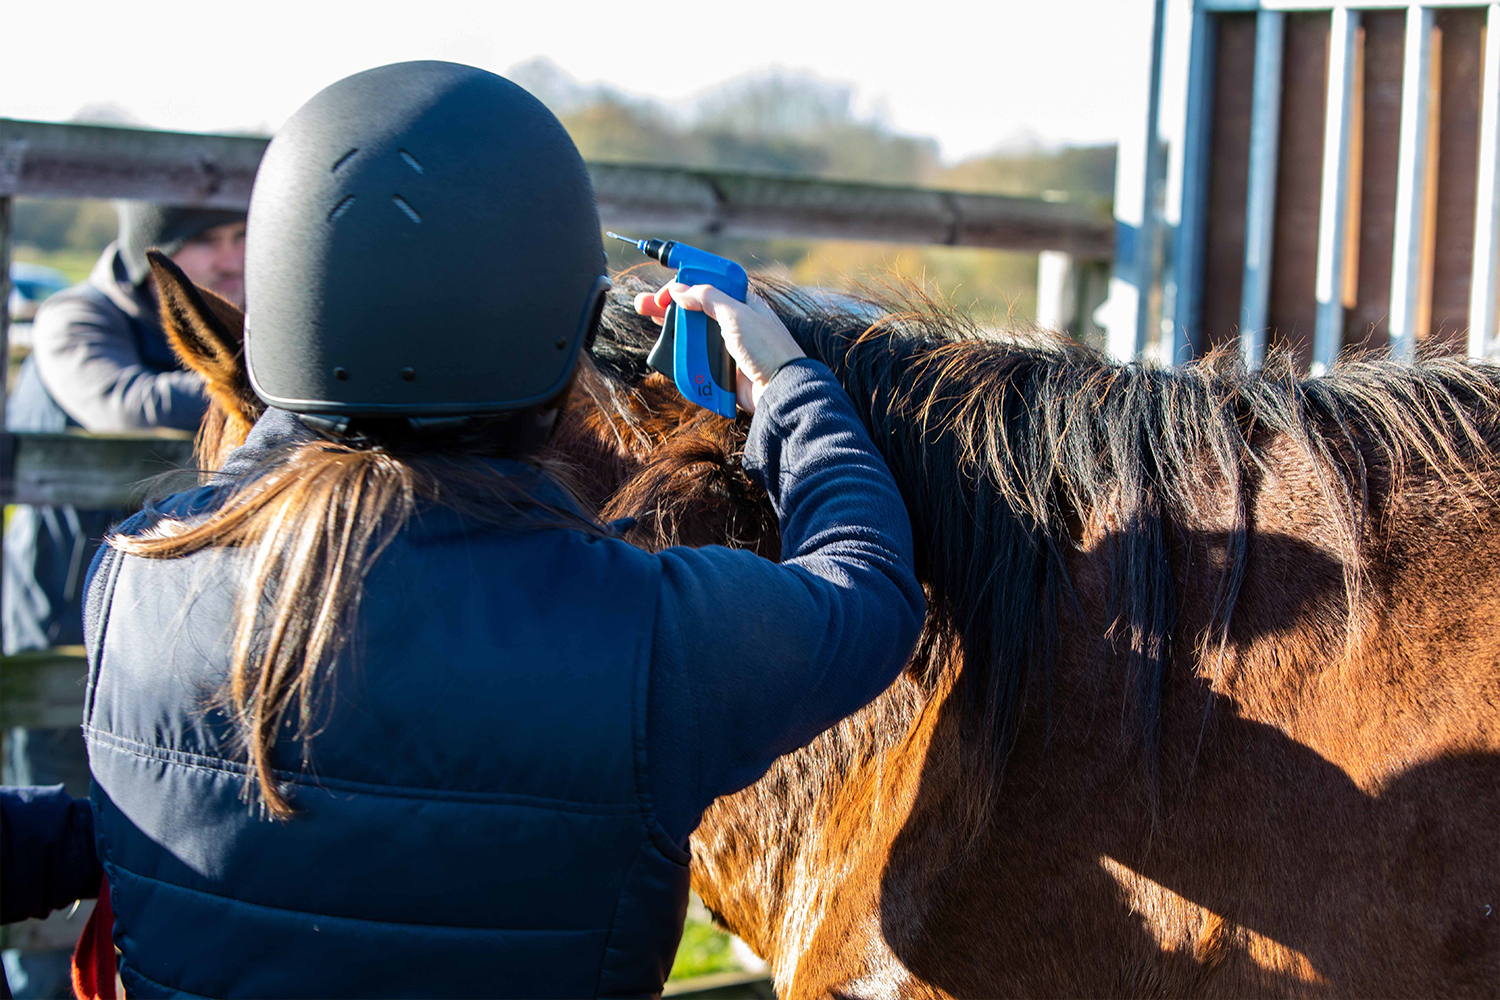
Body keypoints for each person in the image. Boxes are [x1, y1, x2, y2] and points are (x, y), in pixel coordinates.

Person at [81, 61, 924, 998]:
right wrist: (787, 385)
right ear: (560, 339)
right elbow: (870, 593)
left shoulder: (137, 575)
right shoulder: (644, 635)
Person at [1, 204, 244, 1000]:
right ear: (156, 251)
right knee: (53, 828)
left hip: (158, 634)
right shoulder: (77, 317)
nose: (229, 258)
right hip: (62, 616)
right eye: (208, 241)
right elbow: (121, 402)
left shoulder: (234, 326)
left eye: (240, 239)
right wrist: (260, 379)